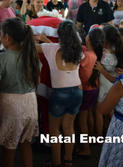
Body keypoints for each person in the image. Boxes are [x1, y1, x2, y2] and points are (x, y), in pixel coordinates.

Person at [0, 17, 40, 167]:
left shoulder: (0, 59)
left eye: (1, 34)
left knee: (9, 147)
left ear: (7, 36)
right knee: (25, 142)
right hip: (30, 103)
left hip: (11, 106)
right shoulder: (32, 56)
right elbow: (37, 82)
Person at [36, 20, 83, 167]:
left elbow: (30, 47)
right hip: (77, 91)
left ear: (58, 34)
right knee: (69, 127)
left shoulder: (51, 47)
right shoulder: (79, 51)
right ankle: (68, 161)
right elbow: (63, 48)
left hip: (60, 92)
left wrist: (37, 38)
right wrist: (46, 41)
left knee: (55, 129)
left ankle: (56, 162)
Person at [76, 28, 105, 157]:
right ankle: (90, 137)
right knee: (89, 115)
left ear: (88, 39)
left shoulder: (86, 56)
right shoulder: (95, 54)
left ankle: (86, 148)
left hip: (86, 91)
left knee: (82, 119)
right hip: (94, 88)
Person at [94, 25, 123, 140]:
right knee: (111, 108)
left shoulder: (103, 52)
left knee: (99, 110)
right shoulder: (117, 50)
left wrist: (101, 69)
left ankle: (99, 136)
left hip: (103, 82)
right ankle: (116, 132)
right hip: (113, 83)